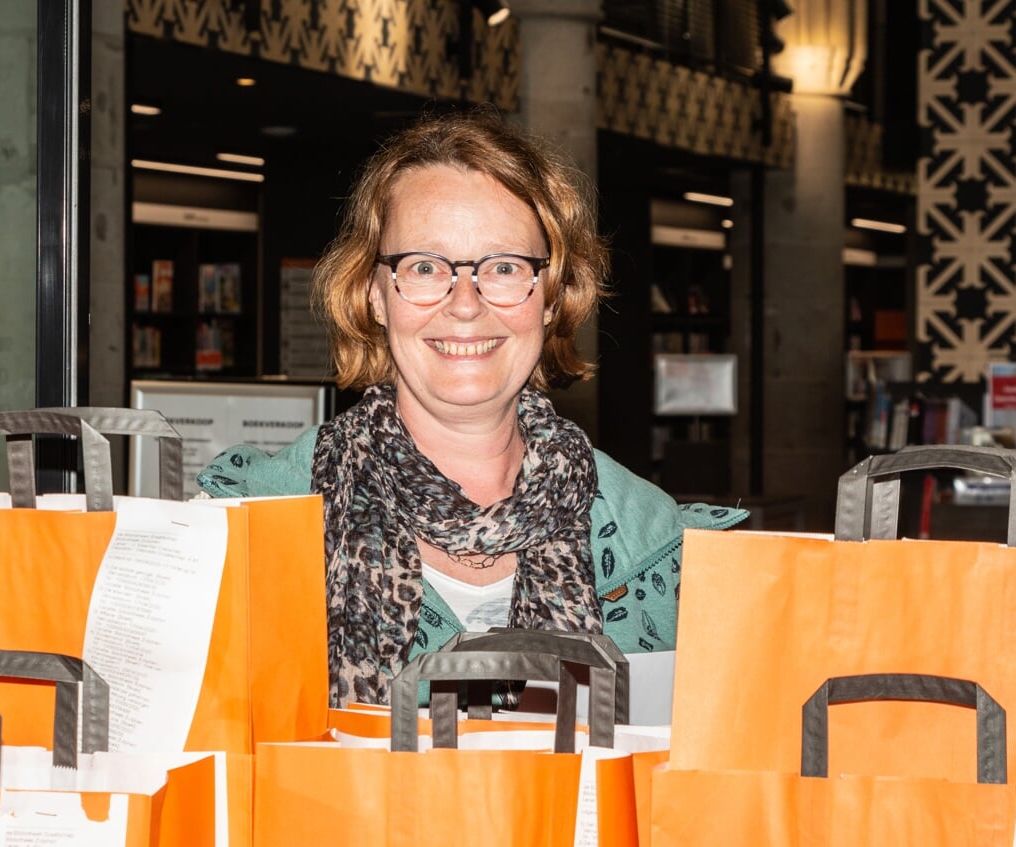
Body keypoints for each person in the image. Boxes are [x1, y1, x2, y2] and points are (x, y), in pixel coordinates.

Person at [198, 109, 747, 707]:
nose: (465, 303)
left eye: (505, 267)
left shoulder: (663, 551)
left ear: (552, 297)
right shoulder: (245, 526)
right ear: (374, 294)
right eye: (426, 267)